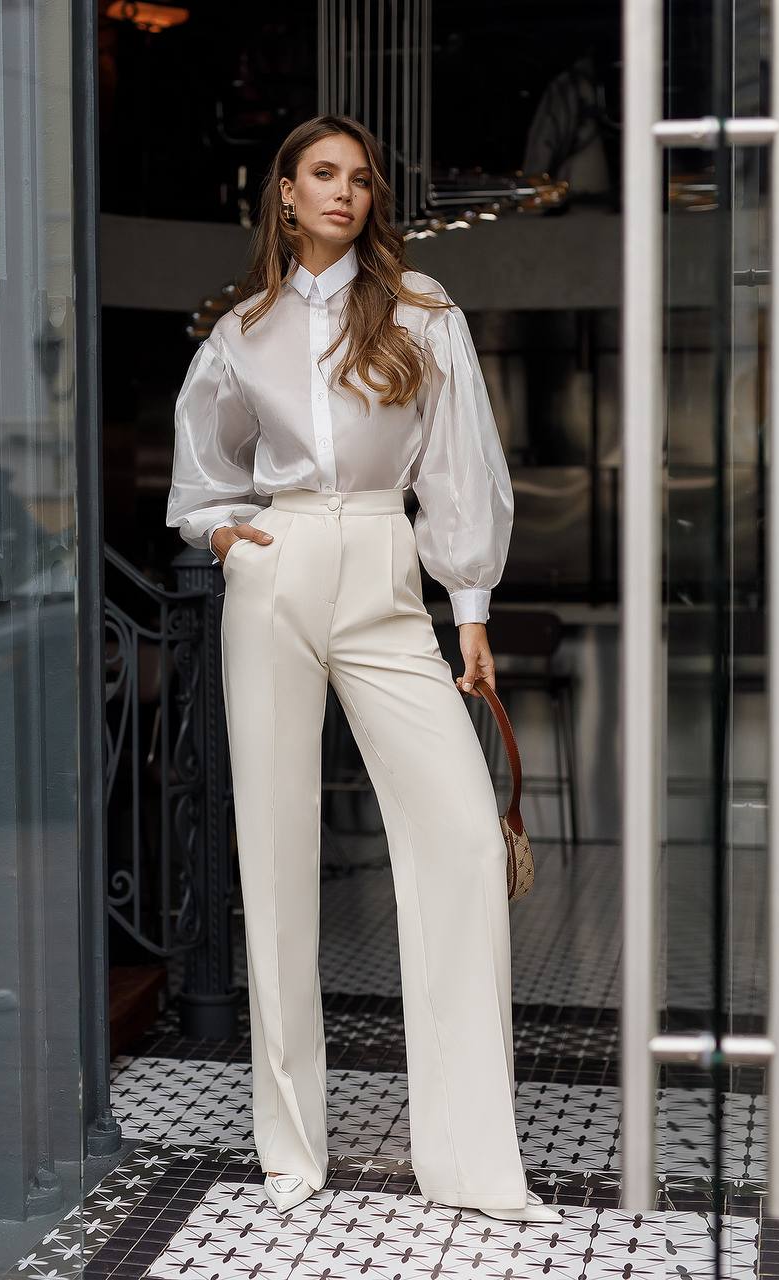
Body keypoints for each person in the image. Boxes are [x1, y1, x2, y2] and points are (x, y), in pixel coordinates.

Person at [165, 113, 560, 1224]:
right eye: (323, 174)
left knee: (463, 839)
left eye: (360, 177)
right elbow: (201, 471)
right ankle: (291, 1149)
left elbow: (462, 464)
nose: (345, 191)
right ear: (286, 194)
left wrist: (469, 605)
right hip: (278, 566)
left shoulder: (422, 310)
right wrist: (222, 533)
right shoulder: (240, 330)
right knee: (272, 854)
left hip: (388, 567)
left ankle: (475, 1161)